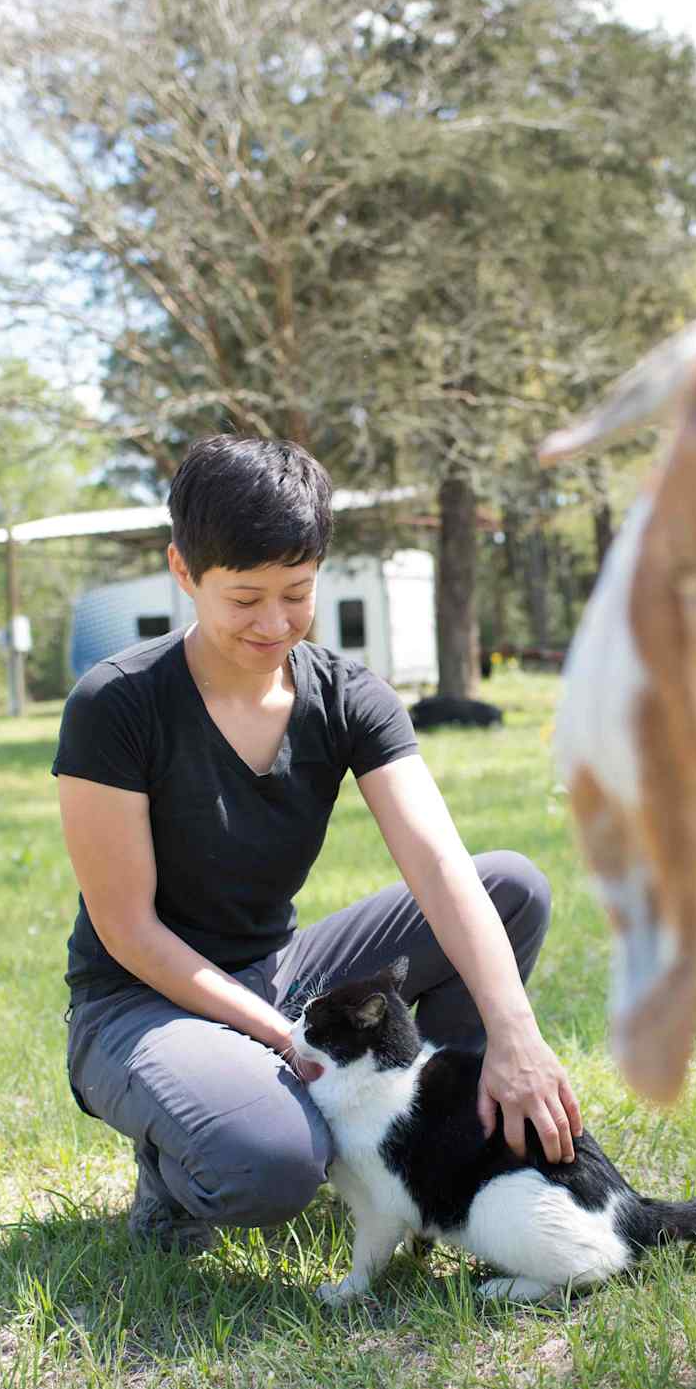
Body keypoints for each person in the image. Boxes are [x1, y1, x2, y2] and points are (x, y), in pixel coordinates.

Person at [54, 435, 582, 1251]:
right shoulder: (116, 704)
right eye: (244, 598)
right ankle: (175, 1170)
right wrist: (290, 1042)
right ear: (184, 571)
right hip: (137, 1001)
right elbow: (129, 931)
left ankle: (432, 1149)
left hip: (280, 973)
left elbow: (441, 868)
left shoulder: (348, 697)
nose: (275, 623)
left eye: (297, 593)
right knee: (274, 1163)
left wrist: (518, 1035)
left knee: (509, 889)